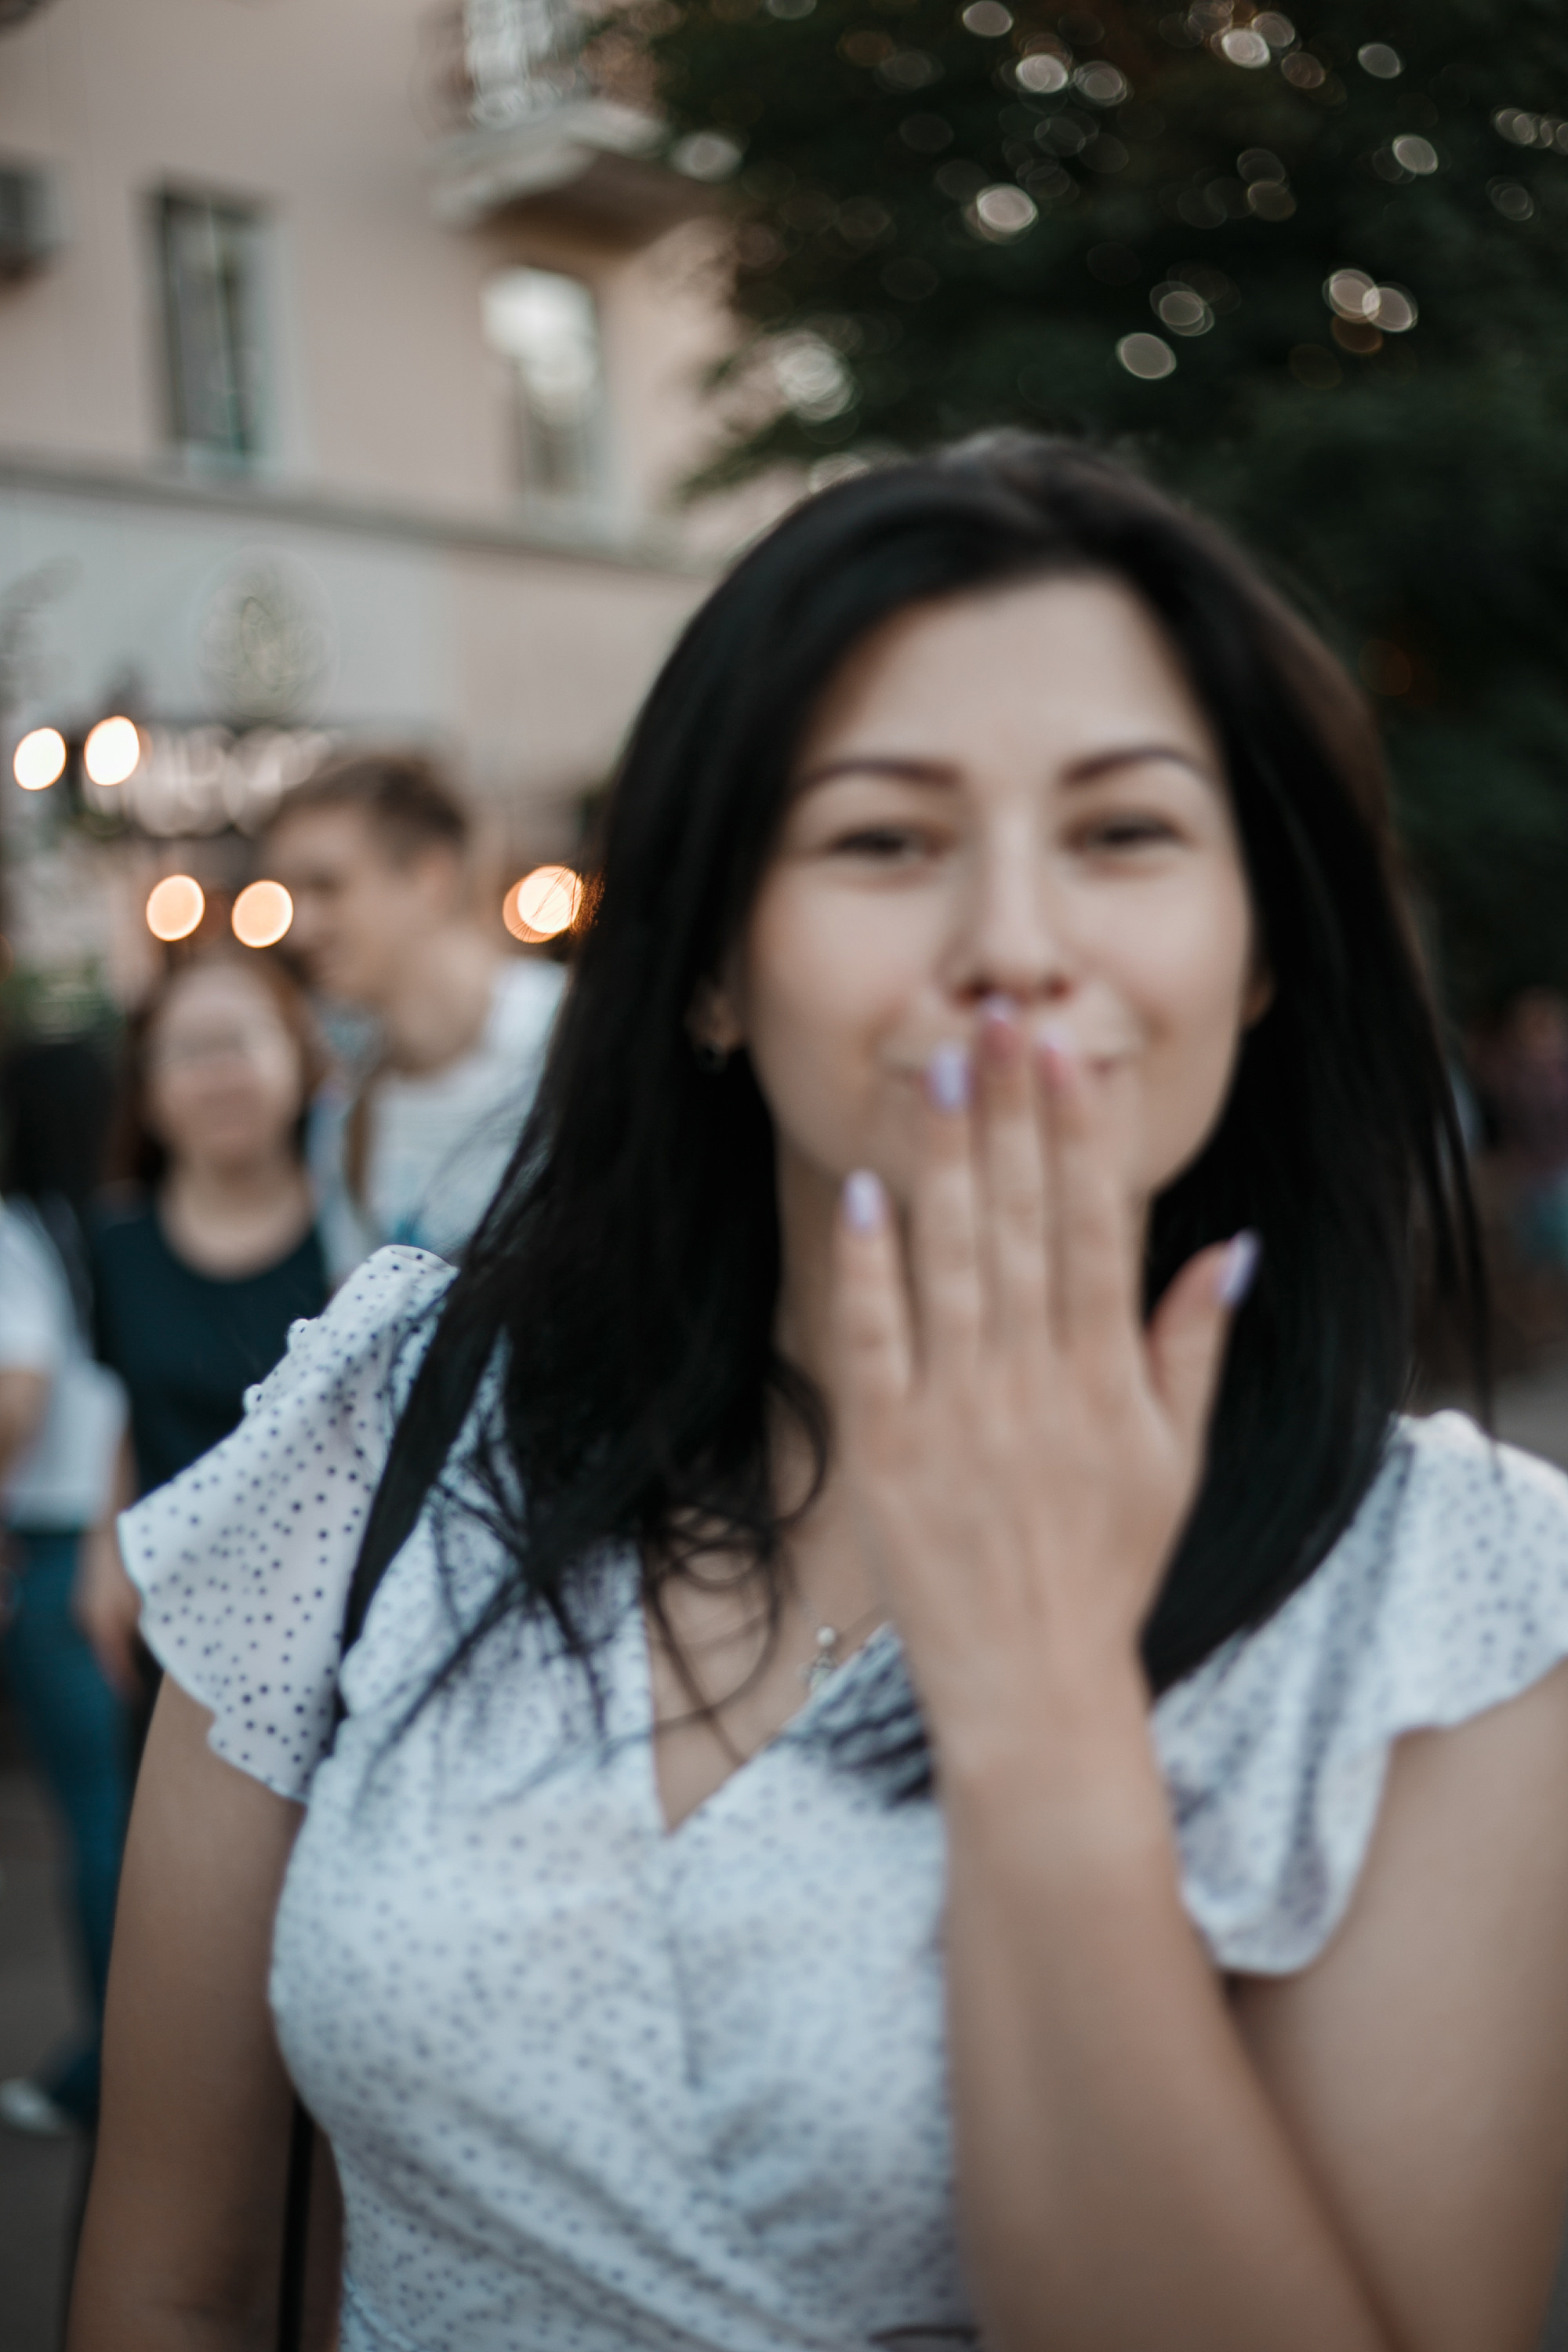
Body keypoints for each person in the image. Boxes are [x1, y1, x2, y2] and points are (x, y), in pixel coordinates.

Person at [71, 441, 1568, 2352]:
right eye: (883, 840)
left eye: (1122, 832)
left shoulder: (1449, 1600)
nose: (1011, 945)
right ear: (708, 968)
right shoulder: (393, 1419)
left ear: (1258, 953)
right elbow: (171, 2284)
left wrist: (1041, 1723)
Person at [73, 952, 330, 1701]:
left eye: (240, 1042)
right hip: (171, 1618)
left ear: (301, 1063)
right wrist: (103, 1542)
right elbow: (126, 1401)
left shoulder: (357, 1235)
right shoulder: (117, 1244)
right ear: (149, 1092)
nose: (218, 1076)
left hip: (330, 1619)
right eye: (187, 1052)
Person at [263, 750, 566, 1283]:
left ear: (431, 877)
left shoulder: (573, 1040)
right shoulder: (348, 1114)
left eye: (326, 887)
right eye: (291, 895)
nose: (299, 928)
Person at [0, 1040, 130, 2138]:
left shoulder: (17, 1230)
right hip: (136, 1532)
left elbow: (17, 1396)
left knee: (97, 1815)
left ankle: (111, 2067)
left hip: (51, 1547)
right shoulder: (122, 1223)